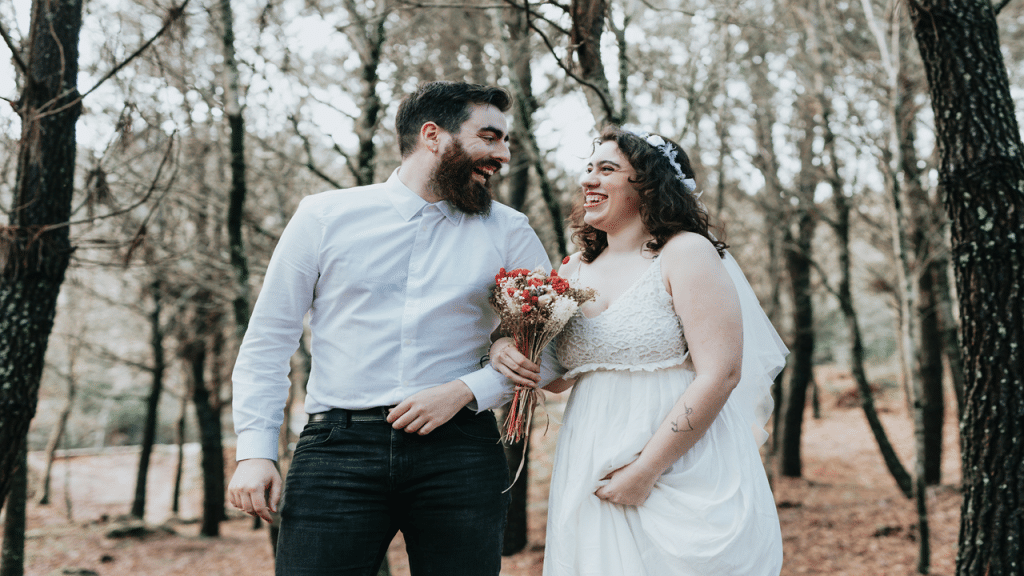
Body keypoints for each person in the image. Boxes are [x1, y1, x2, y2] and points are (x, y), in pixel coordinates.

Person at [227, 81, 551, 576]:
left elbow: (552, 350)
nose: (502, 154)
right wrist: (254, 451)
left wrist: (467, 390)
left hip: (461, 452)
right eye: (489, 137)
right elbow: (269, 340)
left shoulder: (510, 230)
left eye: (505, 141)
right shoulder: (324, 216)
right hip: (337, 451)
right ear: (432, 136)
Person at [490, 126, 788, 575]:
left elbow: (721, 373)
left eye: (607, 169)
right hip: (589, 454)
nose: (588, 180)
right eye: (589, 169)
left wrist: (646, 470)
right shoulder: (572, 270)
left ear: (649, 185)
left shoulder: (685, 253)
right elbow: (553, 379)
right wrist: (504, 349)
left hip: (680, 464)